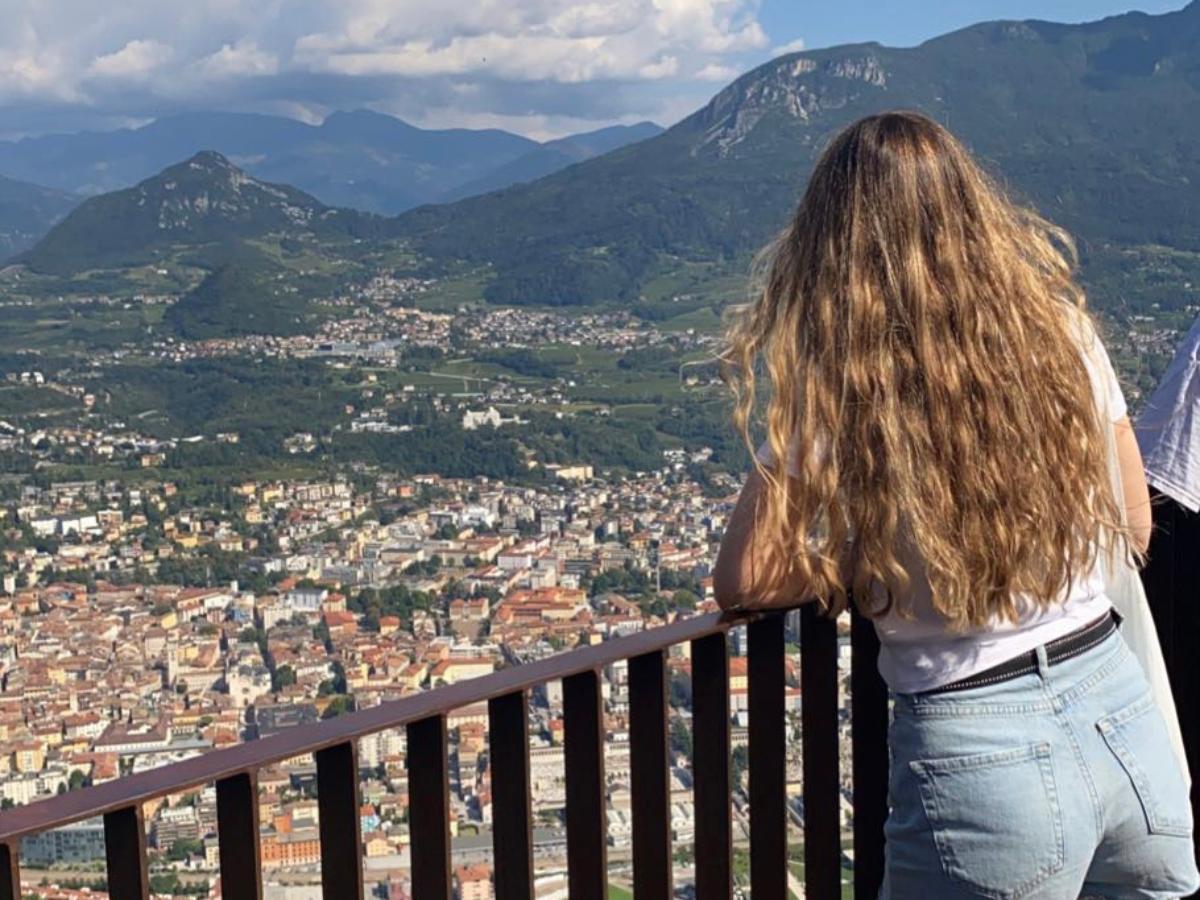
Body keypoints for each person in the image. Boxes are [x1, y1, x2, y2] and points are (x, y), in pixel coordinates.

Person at [712, 111, 1199, 900]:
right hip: (1124, 720)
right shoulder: (1062, 332)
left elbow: (744, 579)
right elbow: (1134, 522)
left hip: (981, 759)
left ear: (830, 241)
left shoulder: (844, 382)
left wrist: (880, 558)